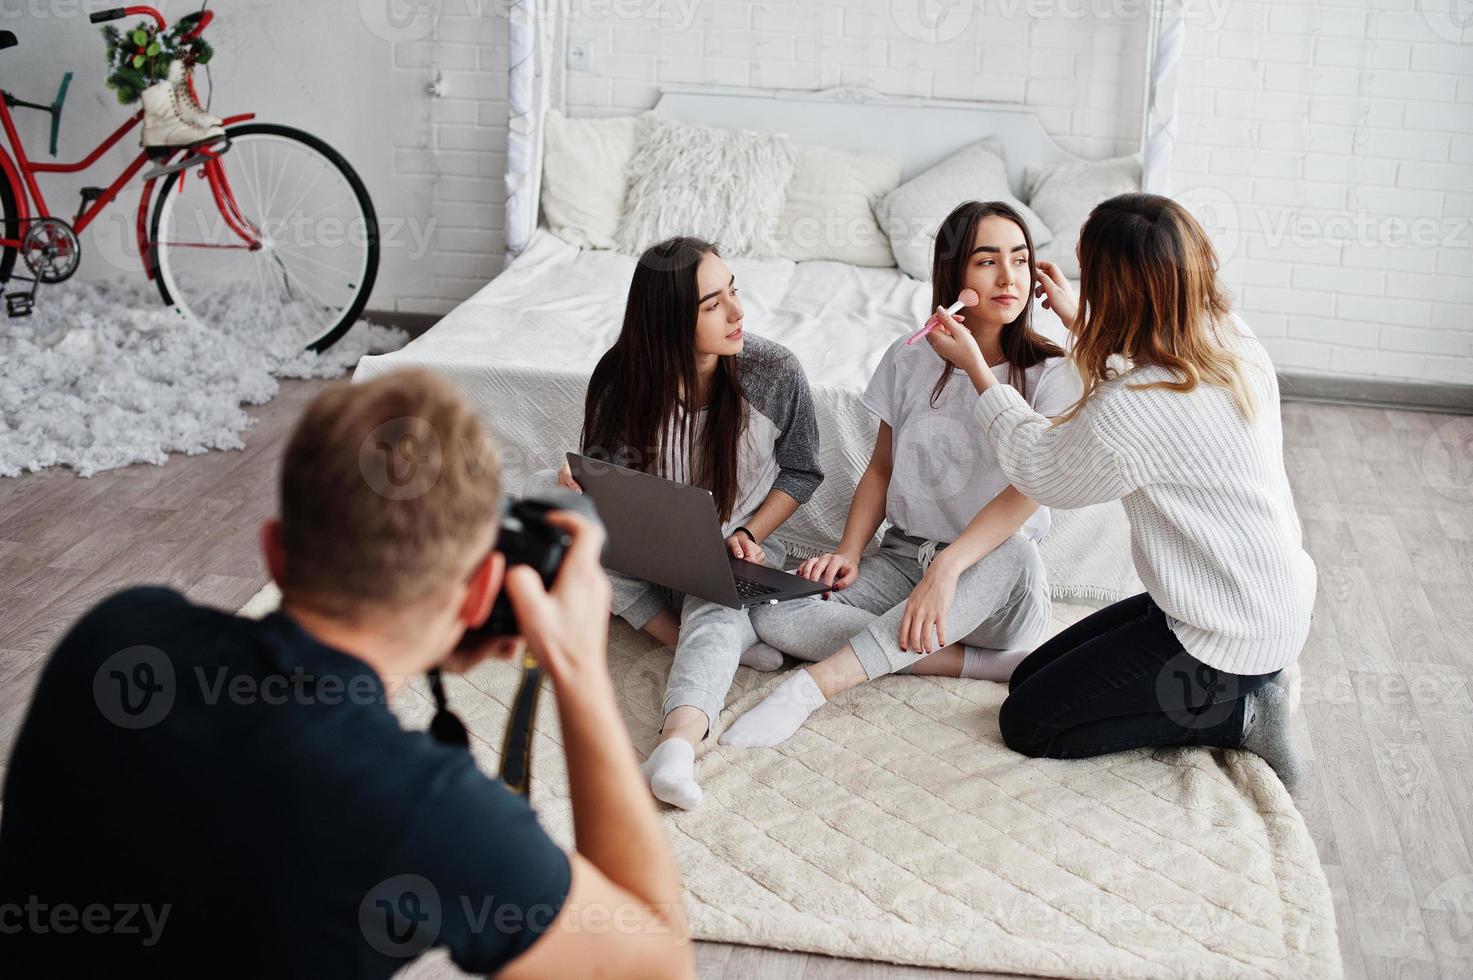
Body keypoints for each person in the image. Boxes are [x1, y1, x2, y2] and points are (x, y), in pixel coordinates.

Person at [0, 370, 694, 978]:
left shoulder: (117, 637)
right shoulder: (425, 813)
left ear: (275, 551)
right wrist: (574, 665)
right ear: (482, 591)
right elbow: (656, 966)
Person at [925, 192, 1316, 789]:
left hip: (1227, 633)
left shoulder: (1135, 410)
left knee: (1028, 723)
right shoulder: (1226, 336)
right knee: (1030, 675)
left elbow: (1041, 468)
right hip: (1247, 595)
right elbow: (1146, 369)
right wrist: (1081, 320)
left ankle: (1238, 714)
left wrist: (979, 369)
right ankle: (1241, 688)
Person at [720, 201, 1082, 749]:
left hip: (996, 582)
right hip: (903, 559)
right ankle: (980, 665)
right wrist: (847, 550)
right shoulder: (907, 358)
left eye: (1021, 259)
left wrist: (950, 569)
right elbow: (882, 467)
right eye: (987, 261)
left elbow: (1030, 490)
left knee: (1014, 550)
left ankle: (811, 689)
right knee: (776, 616)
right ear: (953, 273)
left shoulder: (1053, 373)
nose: (1009, 276)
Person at [540, 235, 823, 810]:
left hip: (727, 552)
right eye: (713, 304)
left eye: (734, 292)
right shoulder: (620, 377)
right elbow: (610, 481)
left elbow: (802, 470)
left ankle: (676, 745)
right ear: (668, 318)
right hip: (648, 547)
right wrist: (582, 486)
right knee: (557, 520)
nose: (738, 313)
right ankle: (697, 638)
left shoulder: (773, 372)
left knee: (714, 594)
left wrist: (748, 535)